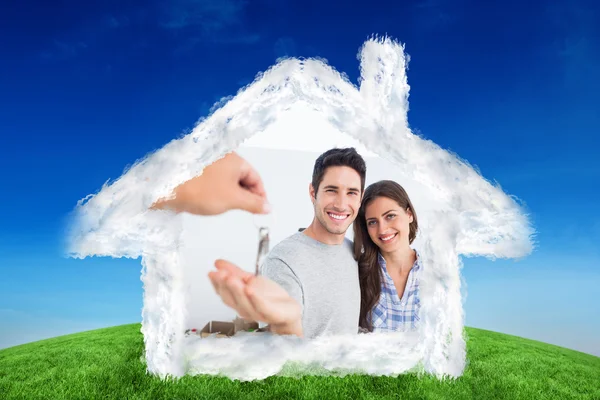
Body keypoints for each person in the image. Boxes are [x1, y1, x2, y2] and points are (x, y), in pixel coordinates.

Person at [208, 147, 367, 338]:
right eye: (331, 190)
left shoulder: (355, 252)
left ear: (361, 198)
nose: (341, 204)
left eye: (351, 192)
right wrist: (287, 323)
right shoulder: (284, 261)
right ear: (312, 192)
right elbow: (285, 349)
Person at [352, 180, 422, 333]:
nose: (382, 229)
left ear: (409, 214)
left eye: (390, 216)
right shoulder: (357, 274)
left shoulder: (436, 273)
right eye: (372, 222)